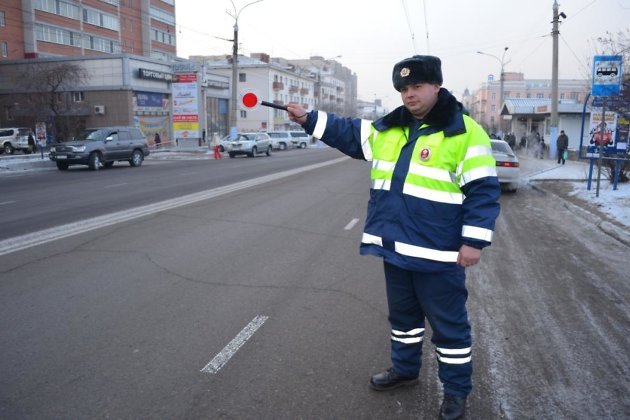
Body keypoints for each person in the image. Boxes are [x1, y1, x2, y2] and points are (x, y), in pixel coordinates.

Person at [287, 55, 501, 420]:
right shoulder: (391, 128)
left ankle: (456, 393)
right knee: (403, 321)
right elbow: (349, 131)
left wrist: (473, 241)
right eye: (403, 89)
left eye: (417, 86)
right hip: (396, 249)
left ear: (436, 86)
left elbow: (483, 191)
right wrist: (308, 118)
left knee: (450, 331)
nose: (409, 94)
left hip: (439, 254)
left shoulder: (464, 132)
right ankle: (404, 370)